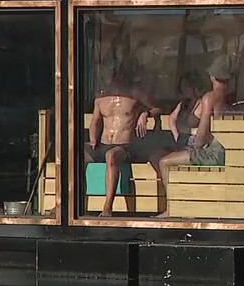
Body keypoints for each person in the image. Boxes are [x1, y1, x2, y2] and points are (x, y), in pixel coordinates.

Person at [85, 67, 163, 215]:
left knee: (111, 156)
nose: (113, 78)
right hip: (103, 143)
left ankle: (107, 207)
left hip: (126, 146)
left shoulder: (135, 94)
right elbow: (95, 120)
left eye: (116, 74)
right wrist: (93, 138)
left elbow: (158, 108)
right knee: (75, 156)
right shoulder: (101, 98)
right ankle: (71, 204)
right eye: (111, 75)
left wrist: (146, 114)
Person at [153, 57, 232, 194]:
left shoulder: (209, 98)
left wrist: (193, 148)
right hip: (227, 150)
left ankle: (172, 204)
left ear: (212, 76)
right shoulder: (230, 97)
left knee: (164, 162)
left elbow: (202, 136)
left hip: (213, 152)